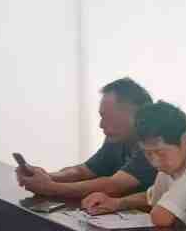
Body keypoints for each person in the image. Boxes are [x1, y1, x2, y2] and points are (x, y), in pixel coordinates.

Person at [80, 101, 186, 227]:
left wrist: (155, 208)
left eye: (160, 153)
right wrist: (116, 203)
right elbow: (153, 197)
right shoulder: (172, 161)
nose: (155, 162)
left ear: (185, 140)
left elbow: (162, 217)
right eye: (148, 154)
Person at [15, 77, 156, 202]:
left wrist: (51, 187)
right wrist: (45, 176)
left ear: (136, 115)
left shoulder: (153, 144)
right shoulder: (116, 138)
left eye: (107, 117)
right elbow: (82, 171)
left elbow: (113, 185)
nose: (101, 125)